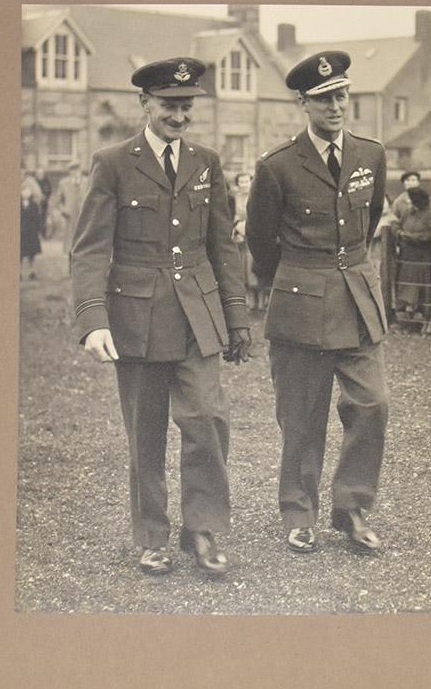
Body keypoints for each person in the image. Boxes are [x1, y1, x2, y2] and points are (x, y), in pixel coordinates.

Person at [70, 57, 251, 576]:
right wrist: (93, 319)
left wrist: (235, 318)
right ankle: (152, 536)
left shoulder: (206, 162)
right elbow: (89, 249)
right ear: (145, 104)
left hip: (198, 315)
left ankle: (205, 531)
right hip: (136, 319)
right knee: (145, 433)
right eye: (170, 105)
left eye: (186, 106)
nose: (179, 116)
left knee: (208, 421)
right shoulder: (113, 163)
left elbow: (223, 245)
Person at [247, 51, 389, 555]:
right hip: (300, 302)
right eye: (325, 99)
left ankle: (351, 508)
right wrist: (294, 283)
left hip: (356, 300)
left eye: (342, 95)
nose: (336, 106)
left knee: (372, 404)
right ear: (303, 103)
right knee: (302, 416)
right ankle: (299, 513)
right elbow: (262, 245)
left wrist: (345, 270)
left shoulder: (370, 155)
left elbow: (367, 225)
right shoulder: (278, 167)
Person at [391, 172, 431, 333]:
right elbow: (397, 223)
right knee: (408, 290)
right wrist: (400, 234)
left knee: (426, 289)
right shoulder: (409, 211)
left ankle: (430, 321)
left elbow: (429, 234)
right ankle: (410, 322)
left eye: (412, 201)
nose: (410, 204)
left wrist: (410, 237)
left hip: (424, 257)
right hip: (408, 256)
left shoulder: (430, 212)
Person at [229, 172, 262, 310]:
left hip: (255, 233)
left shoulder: (257, 196)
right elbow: (234, 215)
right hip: (240, 233)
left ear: (251, 182)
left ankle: (260, 300)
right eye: (241, 182)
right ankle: (248, 300)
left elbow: (259, 214)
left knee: (254, 265)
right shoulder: (235, 198)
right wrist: (236, 227)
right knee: (242, 266)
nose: (243, 184)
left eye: (246, 181)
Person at [57, 161, 87, 262]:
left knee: (84, 241)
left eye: (77, 169)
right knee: (70, 242)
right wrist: (63, 210)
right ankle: (71, 267)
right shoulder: (63, 183)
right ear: (69, 172)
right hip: (70, 217)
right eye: (72, 170)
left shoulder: (87, 182)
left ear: (80, 170)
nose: (75, 172)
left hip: (84, 217)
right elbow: (58, 201)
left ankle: (82, 266)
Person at [20, 169, 43, 279]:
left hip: (31, 231)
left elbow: (37, 218)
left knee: (31, 253)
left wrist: (37, 228)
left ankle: (32, 271)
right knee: (19, 252)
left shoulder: (33, 204)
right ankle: (18, 272)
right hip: (20, 231)